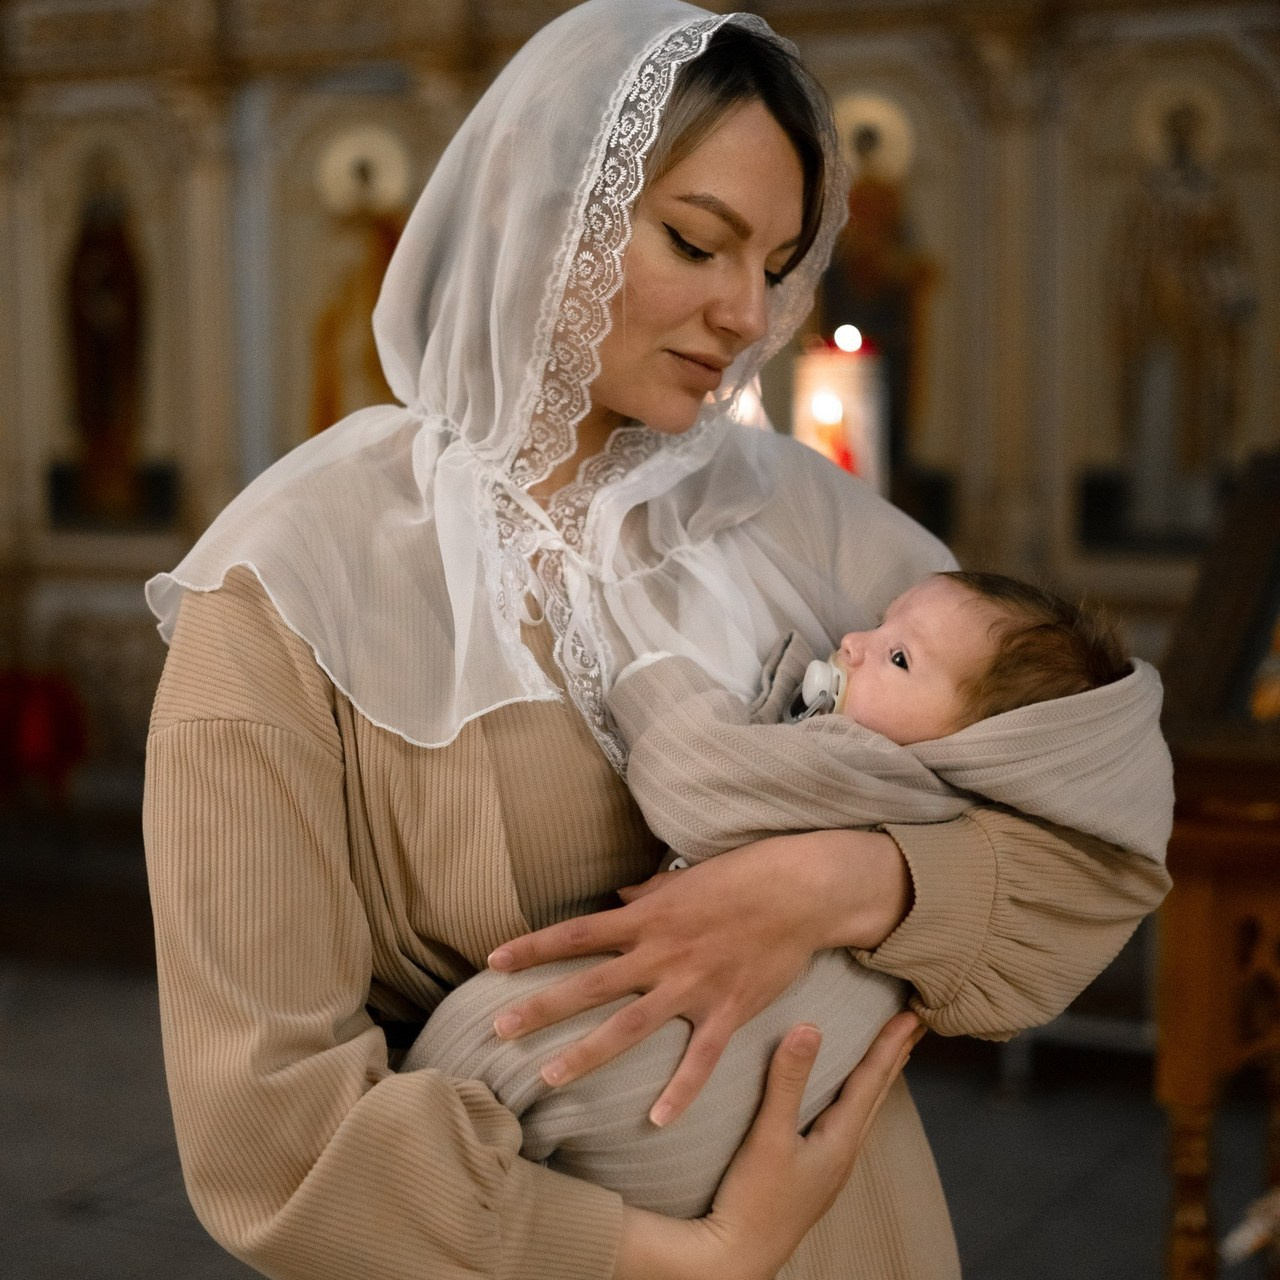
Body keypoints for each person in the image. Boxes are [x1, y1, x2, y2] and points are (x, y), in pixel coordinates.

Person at [141, 4, 1172, 1278]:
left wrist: (850, 883)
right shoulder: (283, 587)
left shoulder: (789, 509)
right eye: (697, 241)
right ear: (540, 204)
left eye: (779, 260)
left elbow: (1105, 818)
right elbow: (268, 1131)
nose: (749, 309)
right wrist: (697, 1256)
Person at [405, 571, 1173, 1217]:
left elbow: (695, 787)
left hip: (676, 1103)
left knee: (487, 1044)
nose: (853, 644)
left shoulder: (871, 764)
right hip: (744, 1124)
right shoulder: (931, 783)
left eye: (899, 659)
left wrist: (656, 678)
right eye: (879, 626)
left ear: (980, 747)